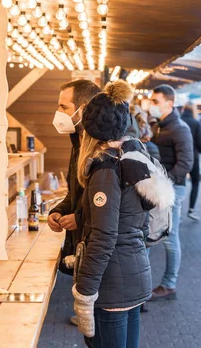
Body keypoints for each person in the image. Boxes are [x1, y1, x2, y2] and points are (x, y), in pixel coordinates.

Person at [73, 80, 172, 348]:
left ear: (90, 131)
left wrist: (85, 290)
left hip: (113, 284)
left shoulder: (106, 169)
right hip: (134, 273)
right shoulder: (133, 159)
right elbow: (136, 225)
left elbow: (104, 236)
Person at [48, 79, 101, 326]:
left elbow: (110, 205)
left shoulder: (101, 147)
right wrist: (58, 210)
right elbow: (77, 191)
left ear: (82, 109)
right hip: (83, 244)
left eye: (63, 107)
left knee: (101, 326)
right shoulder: (77, 140)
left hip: (100, 251)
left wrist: (79, 217)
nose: (58, 114)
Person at [149, 85, 193, 300]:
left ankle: (169, 284)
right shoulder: (158, 127)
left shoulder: (180, 129)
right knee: (150, 234)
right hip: (159, 188)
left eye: (155, 101)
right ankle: (144, 282)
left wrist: (165, 186)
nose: (151, 105)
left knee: (169, 236)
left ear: (169, 103)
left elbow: (186, 164)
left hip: (172, 189)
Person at [181, 102, 201, 220]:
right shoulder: (197, 123)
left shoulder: (178, 121)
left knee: (178, 183)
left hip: (179, 156)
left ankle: (177, 211)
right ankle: (191, 209)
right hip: (193, 157)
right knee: (195, 183)